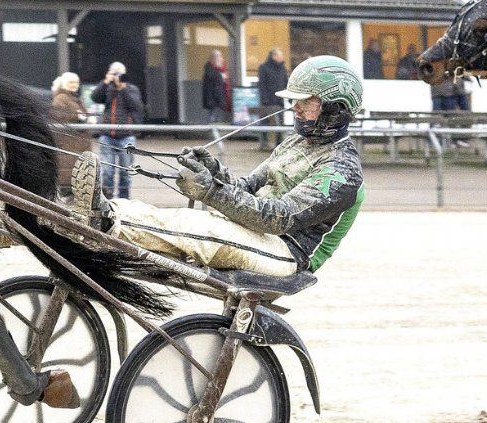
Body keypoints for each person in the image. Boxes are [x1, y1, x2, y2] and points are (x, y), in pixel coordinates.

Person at [72, 56, 365, 276]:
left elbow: (278, 217)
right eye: (296, 100)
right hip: (258, 235)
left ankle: (107, 224)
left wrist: (211, 192)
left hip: (285, 252)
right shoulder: (294, 144)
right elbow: (246, 188)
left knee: (201, 229)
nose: (295, 108)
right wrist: (213, 172)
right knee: (173, 216)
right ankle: (105, 211)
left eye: (306, 101)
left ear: (334, 108)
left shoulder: (342, 169)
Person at [88, 62, 143, 200]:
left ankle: (124, 200)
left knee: (126, 171)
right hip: (107, 135)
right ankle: (108, 200)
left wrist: (122, 89)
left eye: (120, 74)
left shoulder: (132, 89)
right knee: (107, 171)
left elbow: (136, 106)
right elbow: (94, 97)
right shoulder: (107, 88)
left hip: (127, 136)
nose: (117, 77)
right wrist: (105, 82)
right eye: (114, 73)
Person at [49, 72, 90, 197]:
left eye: (76, 82)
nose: (74, 85)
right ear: (64, 83)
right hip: (68, 142)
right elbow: (57, 115)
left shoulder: (76, 98)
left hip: (77, 143)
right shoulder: (60, 98)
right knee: (68, 172)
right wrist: (77, 116)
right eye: (71, 82)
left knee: (78, 171)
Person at [255, 48, 288, 149]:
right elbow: (262, 84)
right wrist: (265, 99)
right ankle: (264, 143)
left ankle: (279, 143)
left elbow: (286, 83)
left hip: (279, 100)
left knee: (279, 122)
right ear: (273, 56)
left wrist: (288, 96)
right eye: (279, 55)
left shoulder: (282, 68)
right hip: (267, 101)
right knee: (265, 122)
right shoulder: (263, 67)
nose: (281, 57)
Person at [202, 50, 232, 124]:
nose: (221, 58)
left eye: (221, 56)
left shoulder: (222, 71)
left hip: (220, 102)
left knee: (219, 121)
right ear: (213, 59)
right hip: (215, 103)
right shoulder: (211, 71)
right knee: (214, 122)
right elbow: (214, 88)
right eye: (218, 56)